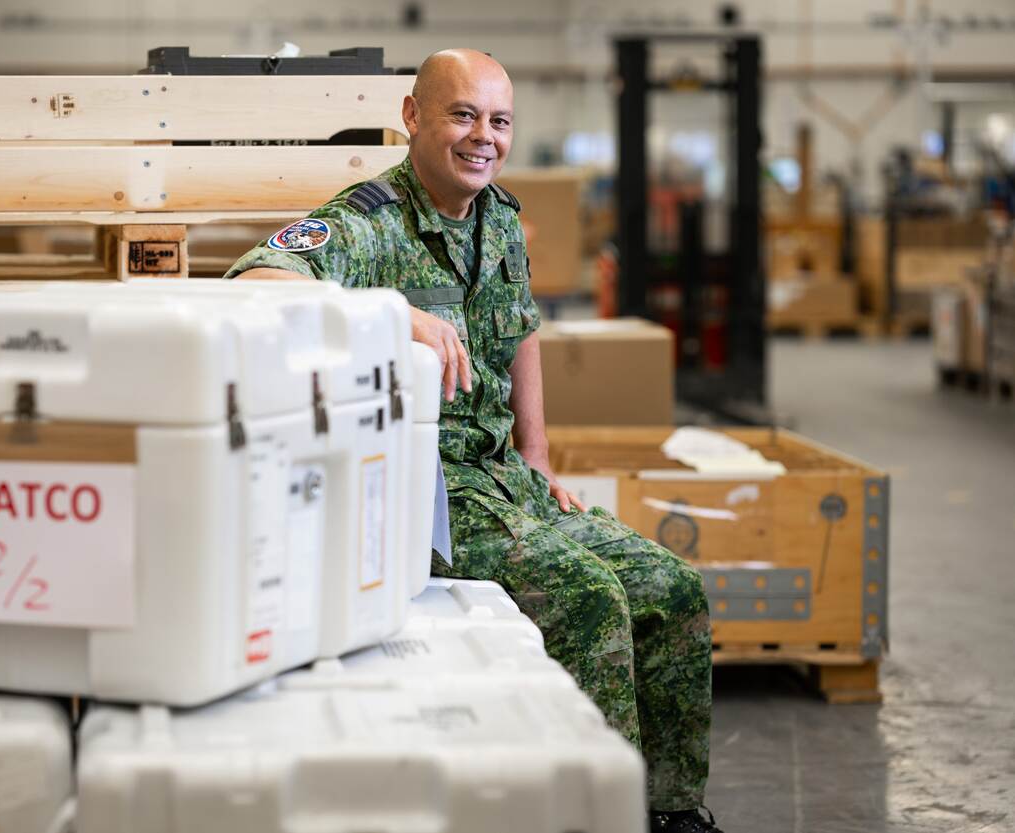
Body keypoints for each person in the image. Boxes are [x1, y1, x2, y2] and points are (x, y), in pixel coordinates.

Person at [226, 48, 722, 833]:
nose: (483, 137)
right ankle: (604, 815)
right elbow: (254, 282)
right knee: (590, 595)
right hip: (424, 495)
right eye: (462, 115)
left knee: (672, 587)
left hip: (501, 481)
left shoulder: (501, 219)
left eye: (499, 121)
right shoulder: (367, 222)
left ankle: (670, 809)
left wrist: (538, 456)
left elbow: (522, 332)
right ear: (413, 117)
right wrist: (394, 314)